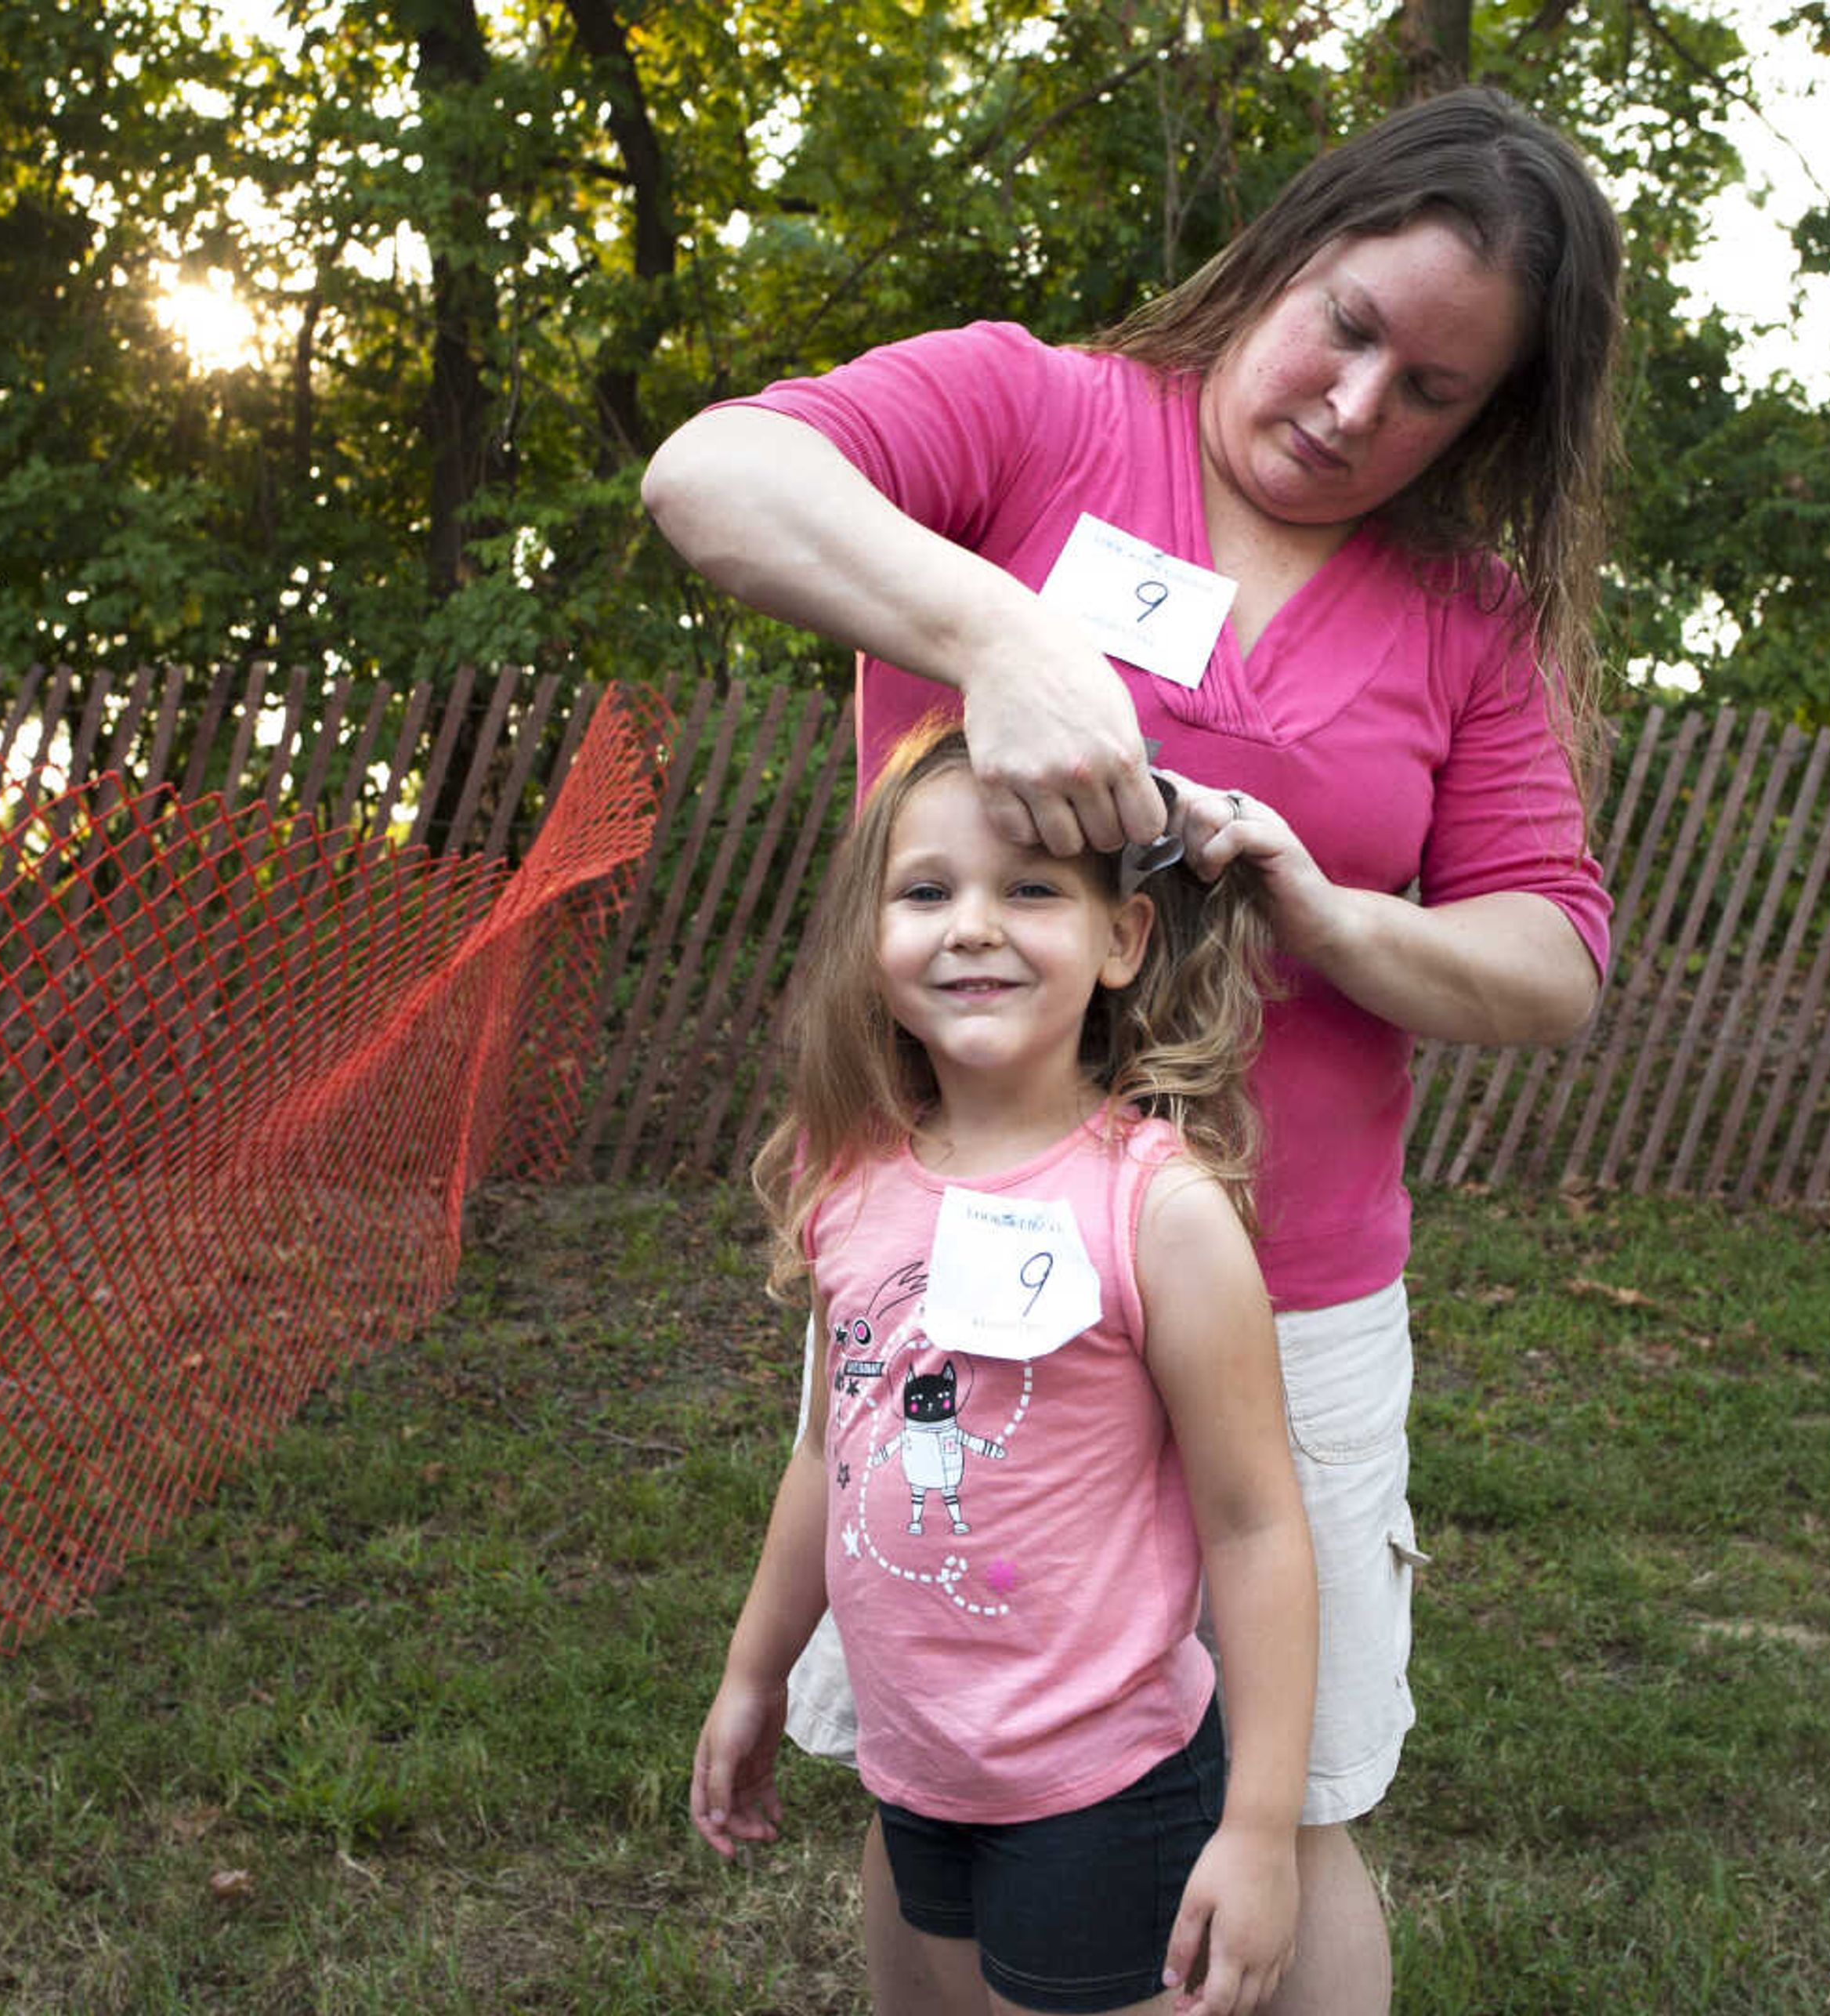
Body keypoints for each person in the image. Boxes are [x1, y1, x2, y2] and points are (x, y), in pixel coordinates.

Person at [647, 85, 1622, 2016]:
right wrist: (993, 636)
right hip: (954, 1254)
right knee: (942, 1770)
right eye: (1349, 321)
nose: (1356, 406)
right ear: (1288, 250)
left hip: (1293, 1295)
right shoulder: (1032, 411)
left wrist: (1337, 921)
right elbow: (709, 480)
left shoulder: (1466, 618)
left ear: (1486, 426)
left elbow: (1555, 960)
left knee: (1297, 1798)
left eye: (1431, 391)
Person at [691, 720, 1318, 2016]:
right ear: (875, 941)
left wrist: (1259, 1827)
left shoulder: (1160, 1212)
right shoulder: (850, 1184)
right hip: (919, 1770)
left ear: (1121, 941)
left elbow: (1257, 1526)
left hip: (1105, 1787)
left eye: (1029, 888)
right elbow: (830, 1450)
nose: (972, 925)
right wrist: (755, 1674)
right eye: (927, 892)